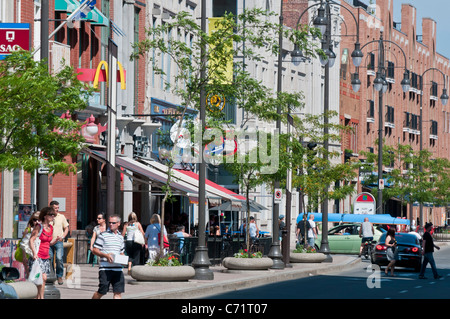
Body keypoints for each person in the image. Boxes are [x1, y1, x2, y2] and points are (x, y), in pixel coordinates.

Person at [28, 207, 61, 299]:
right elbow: (31, 240)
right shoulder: (39, 226)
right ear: (45, 216)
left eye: (53, 215)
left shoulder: (51, 228)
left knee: (42, 279)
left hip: (46, 257)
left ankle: (39, 297)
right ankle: (40, 297)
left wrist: (56, 241)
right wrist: (34, 253)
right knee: (42, 278)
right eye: (51, 215)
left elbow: (48, 243)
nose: (53, 217)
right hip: (38, 256)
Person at [92, 215, 126, 299]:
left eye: (113, 223)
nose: (111, 224)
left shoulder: (120, 237)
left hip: (118, 269)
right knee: (102, 291)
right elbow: (95, 250)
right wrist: (106, 255)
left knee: (118, 293)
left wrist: (124, 260)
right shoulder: (103, 235)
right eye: (109, 223)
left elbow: (121, 252)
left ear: (118, 223)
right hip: (105, 269)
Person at [48, 200, 69, 285]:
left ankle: (59, 276)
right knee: (50, 258)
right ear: (51, 208)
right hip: (49, 242)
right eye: (55, 208)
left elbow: (66, 228)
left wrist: (63, 236)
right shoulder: (47, 217)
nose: (57, 209)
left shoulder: (61, 217)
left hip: (58, 241)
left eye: (58, 208)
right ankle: (52, 275)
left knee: (59, 258)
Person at [19, 212, 40, 277]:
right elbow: (23, 243)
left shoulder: (42, 229)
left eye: (38, 220)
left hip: (39, 252)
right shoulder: (28, 230)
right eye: (34, 220)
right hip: (30, 253)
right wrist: (24, 256)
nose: (36, 222)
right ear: (32, 220)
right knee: (31, 272)